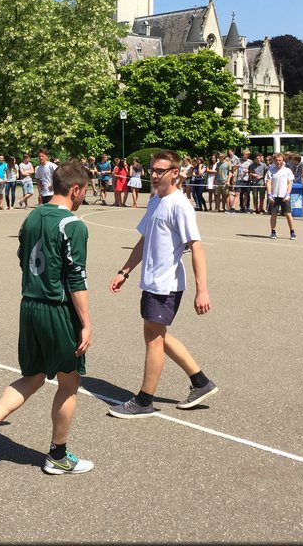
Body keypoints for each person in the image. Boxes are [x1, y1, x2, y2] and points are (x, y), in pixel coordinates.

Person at [0, 160, 94, 474]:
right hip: (57, 309)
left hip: (30, 307)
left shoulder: (32, 216)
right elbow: (76, 277)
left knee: (33, 376)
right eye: (84, 192)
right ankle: (58, 456)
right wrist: (86, 323)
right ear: (75, 189)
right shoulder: (73, 225)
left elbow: (23, 257)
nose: (83, 197)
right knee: (69, 381)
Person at [106, 150, 218, 418]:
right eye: (153, 170)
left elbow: (197, 247)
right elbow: (145, 239)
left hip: (166, 284)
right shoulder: (156, 200)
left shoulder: (180, 205)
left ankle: (144, 401)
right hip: (152, 281)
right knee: (157, 335)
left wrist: (202, 291)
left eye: (160, 171)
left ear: (175, 173)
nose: (154, 176)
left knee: (154, 339)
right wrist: (124, 271)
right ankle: (201, 382)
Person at [265, 152, 296, 240]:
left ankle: (292, 232)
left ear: (283, 160)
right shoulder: (271, 171)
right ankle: (273, 231)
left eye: (280, 160)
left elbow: (290, 183)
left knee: (288, 214)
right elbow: (268, 183)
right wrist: (269, 194)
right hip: (274, 196)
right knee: (274, 214)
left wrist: (288, 194)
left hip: (284, 195)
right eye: (276, 160)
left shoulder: (287, 171)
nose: (278, 162)